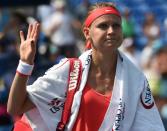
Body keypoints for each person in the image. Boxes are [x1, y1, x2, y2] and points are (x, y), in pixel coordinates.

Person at [7, 2, 165, 131]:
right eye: (103, 26)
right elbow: (15, 107)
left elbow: (149, 126)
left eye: (116, 26)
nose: (111, 31)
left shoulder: (136, 79)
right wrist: (25, 65)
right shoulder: (69, 70)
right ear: (87, 33)